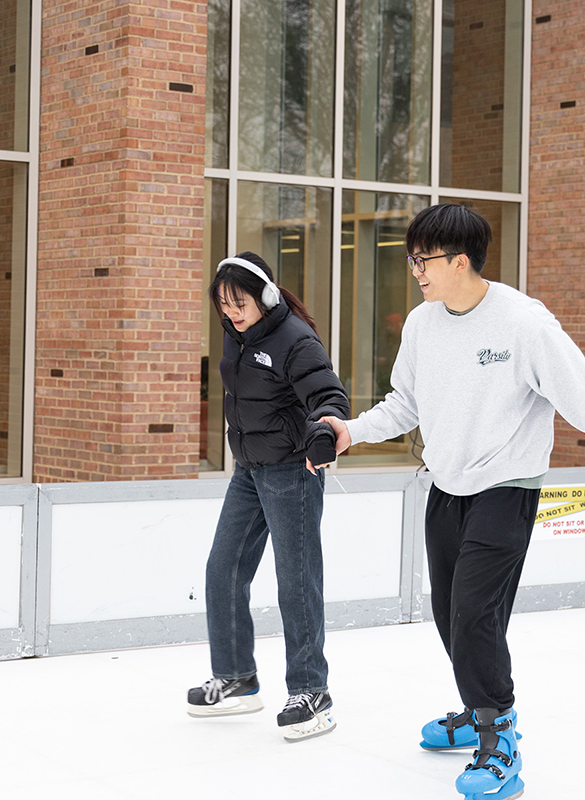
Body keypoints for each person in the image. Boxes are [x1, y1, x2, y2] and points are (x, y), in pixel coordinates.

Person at [319, 204, 585, 800]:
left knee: (474, 612)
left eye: (423, 259)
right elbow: (405, 403)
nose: (415, 270)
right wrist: (351, 431)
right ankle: (478, 709)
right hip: (446, 487)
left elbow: (584, 395)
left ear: (460, 260)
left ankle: (499, 736)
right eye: (413, 258)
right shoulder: (423, 324)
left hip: (508, 487)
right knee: (451, 615)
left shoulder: (524, 324)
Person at [186, 252, 350, 743]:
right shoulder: (237, 336)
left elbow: (328, 393)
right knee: (224, 568)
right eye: (223, 304)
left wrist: (324, 429)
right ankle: (237, 677)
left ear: (267, 297)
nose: (232, 312)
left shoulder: (294, 339)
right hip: (250, 469)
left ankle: (311, 691)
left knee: (296, 581)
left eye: (240, 302)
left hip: (293, 470)